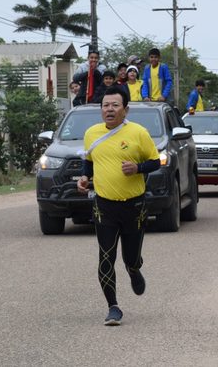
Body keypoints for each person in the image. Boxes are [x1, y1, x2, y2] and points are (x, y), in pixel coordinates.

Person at [77, 86, 160, 326]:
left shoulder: (139, 133)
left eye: (114, 105)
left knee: (130, 257)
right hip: (104, 206)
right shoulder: (92, 133)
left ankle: (134, 269)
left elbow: (155, 161)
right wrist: (84, 178)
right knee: (106, 256)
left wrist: (137, 168)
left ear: (125, 109)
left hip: (134, 206)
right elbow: (88, 161)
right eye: (105, 105)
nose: (109, 109)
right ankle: (113, 307)